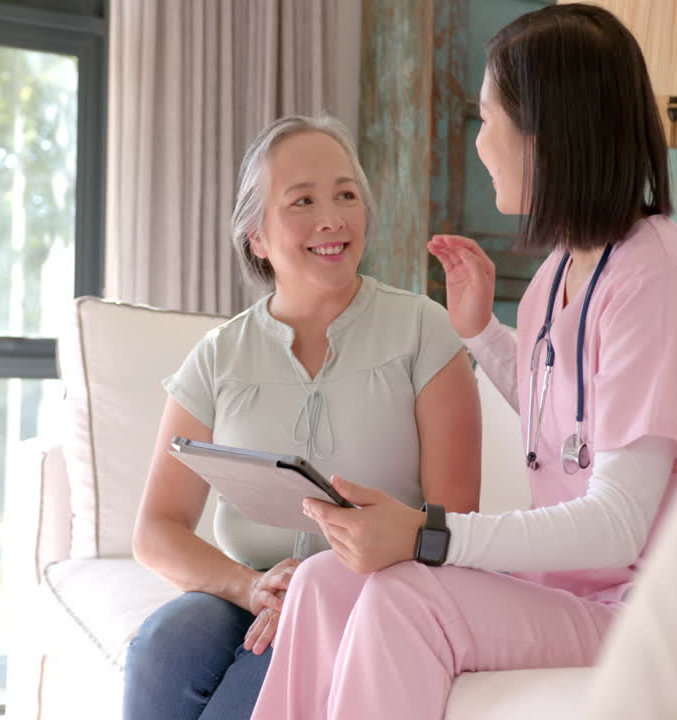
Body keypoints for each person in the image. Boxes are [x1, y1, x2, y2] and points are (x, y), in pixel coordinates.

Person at [251, 6, 677, 719]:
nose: (481, 144)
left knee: (405, 595)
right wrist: (481, 331)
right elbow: (568, 418)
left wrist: (427, 533)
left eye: (489, 120)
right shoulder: (559, 275)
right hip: (570, 589)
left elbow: (617, 523)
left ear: (547, 134)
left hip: (651, 607)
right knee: (327, 581)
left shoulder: (659, 283)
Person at [123, 115, 482, 720]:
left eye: (346, 194)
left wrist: (322, 587)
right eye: (303, 201)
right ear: (256, 236)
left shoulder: (424, 332)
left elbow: (453, 525)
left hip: (373, 592)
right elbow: (156, 530)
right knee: (165, 647)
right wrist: (249, 586)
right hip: (253, 589)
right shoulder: (219, 355)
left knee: (256, 681)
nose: (332, 218)